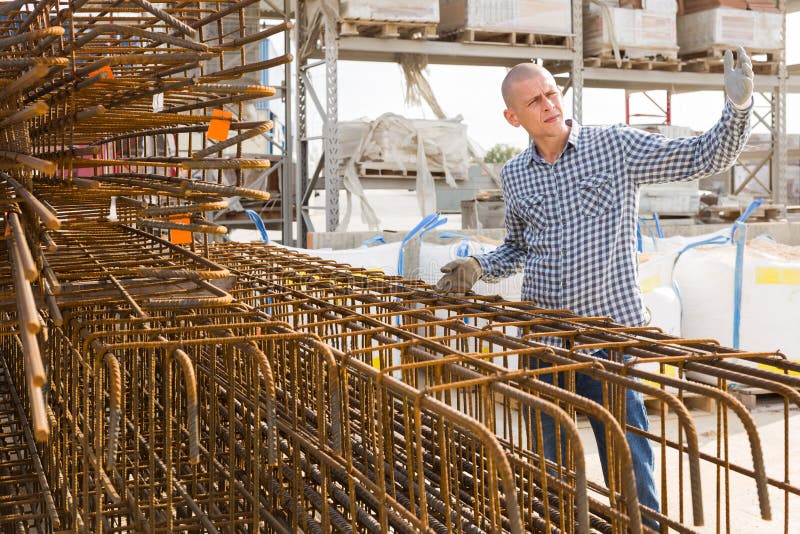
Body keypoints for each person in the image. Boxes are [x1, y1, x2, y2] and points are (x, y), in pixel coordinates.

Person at [436, 47, 754, 528]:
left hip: (609, 338)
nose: (549, 104)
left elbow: (702, 156)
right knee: (551, 472)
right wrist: (479, 265)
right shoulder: (515, 174)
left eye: (551, 93)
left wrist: (738, 107)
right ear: (512, 117)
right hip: (543, 341)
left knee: (630, 467)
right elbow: (518, 248)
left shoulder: (614, 146)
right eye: (534, 100)